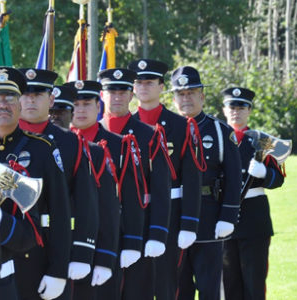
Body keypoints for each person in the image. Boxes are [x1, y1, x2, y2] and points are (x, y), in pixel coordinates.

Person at [0, 67, 72, 300]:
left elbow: (60, 211)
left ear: (20, 105)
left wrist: (58, 270)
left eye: (10, 98)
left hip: (32, 262)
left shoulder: (42, 148)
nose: (3, 105)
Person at [128, 58, 204, 300]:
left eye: (149, 82)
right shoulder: (125, 126)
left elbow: (192, 178)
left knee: (167, 283)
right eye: (138, 82)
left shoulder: (181, 126)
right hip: (133, 214)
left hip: (171, 213)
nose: (143, 87)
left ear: (162, 87)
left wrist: (189, 223)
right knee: (134, 283)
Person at [17, 68, 99, 294]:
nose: (31, 100)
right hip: (11, 244)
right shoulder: (2, 140)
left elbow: (85, 201)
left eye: (38, 95)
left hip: (55, 244)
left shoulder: (70, 142)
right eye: (25, 94)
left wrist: (82, 252)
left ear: (51, 99)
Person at [98, 68, 172, 300]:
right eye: (112, 91)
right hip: (100, 228)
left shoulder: (149, 134)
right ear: (102, 95)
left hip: (139, 227)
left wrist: (157, 234)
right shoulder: (92, 133)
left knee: (137, 292)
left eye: (123, 91)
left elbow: (161, 190)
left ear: (132, 95)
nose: (117, 97)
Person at [172, 66, 242, 300]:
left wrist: (228, 217)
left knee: (209, 287)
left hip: (208, 217)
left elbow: (234, 178)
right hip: (174, 216)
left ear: (202, 95)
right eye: (181, 94)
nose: (186, 98)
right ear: (174, 98)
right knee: (177, 288)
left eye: (191, 92)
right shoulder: (165, 130)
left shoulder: (220, 131)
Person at [49, 83, 120, 299]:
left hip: (78, 247)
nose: (55, 117)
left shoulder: (94, 152)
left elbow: (106, 207)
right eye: (52, 112)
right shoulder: (28, 148)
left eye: (62, 111)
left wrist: (105, 258)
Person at [221, 87, 285, 300]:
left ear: (249, 111)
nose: (236, 111)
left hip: (254, 217)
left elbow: (278, 179)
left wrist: (265, 173)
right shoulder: (216, 138)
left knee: (254, 282)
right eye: (232, 106)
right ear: (224, 109)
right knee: (228, 283)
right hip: (223, 216)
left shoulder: (263, 141)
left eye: (242, 107)